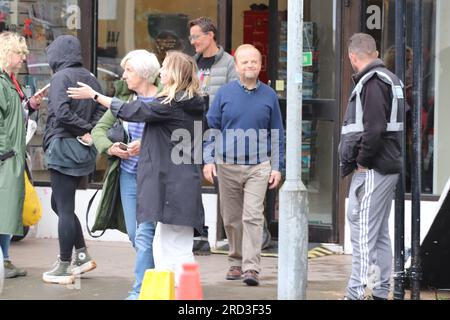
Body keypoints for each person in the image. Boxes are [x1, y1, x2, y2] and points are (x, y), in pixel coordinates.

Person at [67, 50, 205, 286]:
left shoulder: (169, 104)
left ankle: (175, 292)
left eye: (165, 67)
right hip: (182, 185)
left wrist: (95, 96)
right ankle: (165, 291)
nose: (160, 71)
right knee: (167, 246)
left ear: (174, 73)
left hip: (173, 187)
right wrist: (148, 143)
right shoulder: (190, 104)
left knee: (173, 250)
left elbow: (132, 111)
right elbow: (179, 140)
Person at [203, 44, 284, 286]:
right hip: (226, 165)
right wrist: (208, 160)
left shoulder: (269, 95)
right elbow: (212, 128)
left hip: (259, 166)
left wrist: (277, 166)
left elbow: (277, 132)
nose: (250, 65)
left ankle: (251, 268)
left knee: (252, 216)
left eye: (254, 62)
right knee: (230, 218)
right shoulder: (224, 94)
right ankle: (235, 263)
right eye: (245, 62)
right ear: (236, 66)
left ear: (261, 65)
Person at [91, 49, 161, 299]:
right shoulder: (127, 102)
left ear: (144, 74)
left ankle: (140, 290)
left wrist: (146, 143)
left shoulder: (165, 100)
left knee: (144, 234)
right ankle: (157, 279)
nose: (123, 76)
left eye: (129, 71)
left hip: (154, 179)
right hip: (128, 177)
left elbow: (179, 138)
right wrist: (111, 147)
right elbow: (99, 129)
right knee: (135, 234)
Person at [339, 33, 404, 300]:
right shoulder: (391, 80)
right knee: (378, 234)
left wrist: (362, 162)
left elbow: (374, 129)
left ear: (353, 57)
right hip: (386, 165)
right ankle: (379, 290)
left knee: (363, 231)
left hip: (374, 168)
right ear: (375, 53)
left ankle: (355, 293)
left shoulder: (373, 82)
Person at [42, 35, 105, 284]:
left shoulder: (60, 77)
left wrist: (82, 129)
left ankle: (64, 264)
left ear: (57, 55)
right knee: (59, 205)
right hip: (83, 151)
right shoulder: (92, 78)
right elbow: (102, 109)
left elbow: (60, 112)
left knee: (64, 208)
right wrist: (89, 129)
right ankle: (81, 255)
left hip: (63, 148)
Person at [189, 16, 238, 254]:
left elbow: (236, 97)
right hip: (193, 130)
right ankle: (199, 235)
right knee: (191, 182)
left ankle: (237, 236)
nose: (193, 41)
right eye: (191, 37)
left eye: (196, 36)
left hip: (219, 132)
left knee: (225, 183)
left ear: (210, 36)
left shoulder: (229, 63)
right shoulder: (192, 64)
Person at [0, 32, 44, 279]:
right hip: (6, 158)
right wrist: (7, 151)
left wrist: (30, 106)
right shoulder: (2, 81)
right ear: (7, 53)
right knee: (4, 211)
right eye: (20, 53)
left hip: (11, 157)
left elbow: (13, 117)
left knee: (7, 211)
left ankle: (5, 260)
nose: (24, 59)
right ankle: (3, 261)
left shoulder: (9, 80)